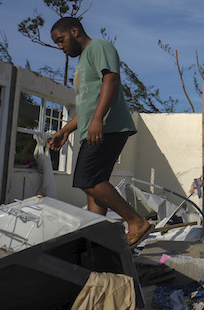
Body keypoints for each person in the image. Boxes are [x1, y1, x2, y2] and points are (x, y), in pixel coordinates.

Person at [48, 17, 151, 248]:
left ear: (74, 31)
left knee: (88, 179)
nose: (60, 47)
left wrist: (97, 120)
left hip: (108, 127)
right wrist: (65, 130)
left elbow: (111, 80)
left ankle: (136, 222)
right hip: (95, 128)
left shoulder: (99, 47)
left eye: (61, 40)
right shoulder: (83, 60)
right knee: (95, 188)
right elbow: (87, 104)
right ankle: (96, 240)